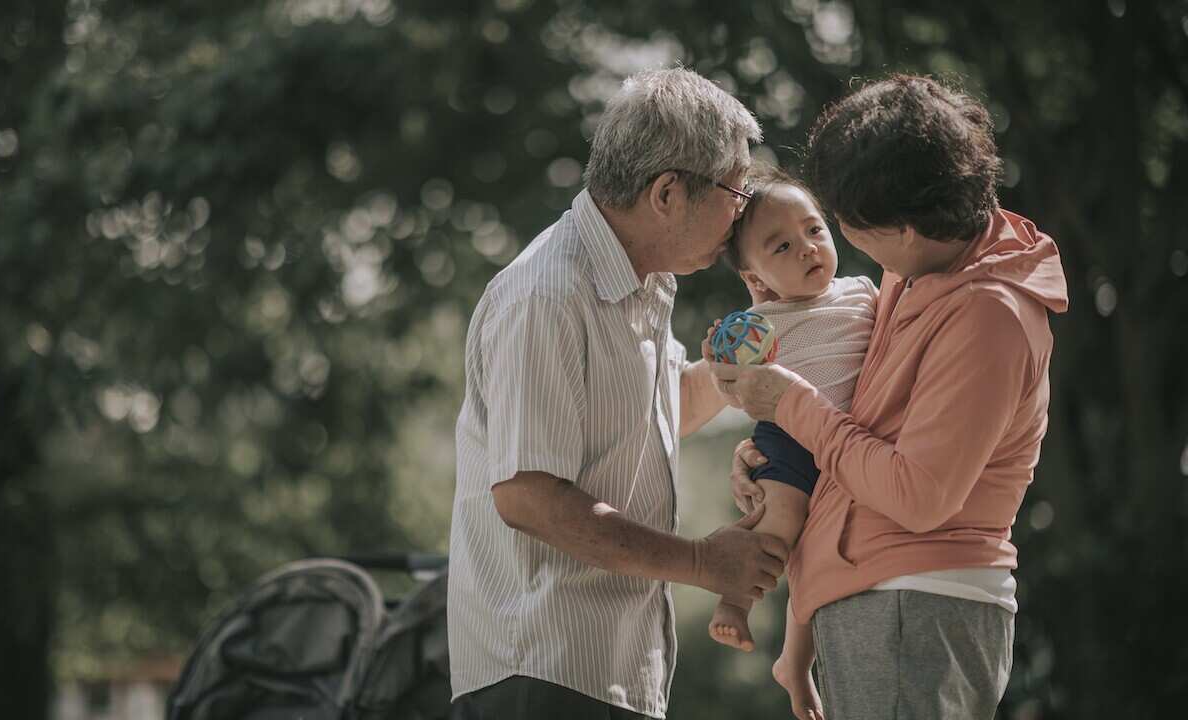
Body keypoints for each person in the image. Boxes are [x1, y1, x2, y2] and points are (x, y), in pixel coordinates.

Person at [711, 74, 1068, 719]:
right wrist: (776, 446)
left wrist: (789, 403)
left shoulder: (989, 316)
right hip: (882, 596)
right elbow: (855, 429)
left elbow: (918, 495)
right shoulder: (922, 269)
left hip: (917, 600)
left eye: (842, 224)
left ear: (904, 229)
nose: (838, 244)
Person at [447, 67, 788, 720]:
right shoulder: (547, 294)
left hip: (608, 680)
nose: (742, 212)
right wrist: (701, 563)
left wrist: (770, 326)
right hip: (540, 681)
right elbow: (528, 497)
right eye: (735, 192)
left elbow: (672, 411)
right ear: (667, 193)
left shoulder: (641, 283)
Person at [700, 166, 875, 720]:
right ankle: (739, 596)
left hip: (849, 431)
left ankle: (794, 663)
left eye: (814, 230)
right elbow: (737, 394)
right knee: (784, 521)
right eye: (782, 245)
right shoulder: (760, 323)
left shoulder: (865, 292)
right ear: (755, 277)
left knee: (819, 542)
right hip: (792, 435)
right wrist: (718, 360)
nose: (807, 249)